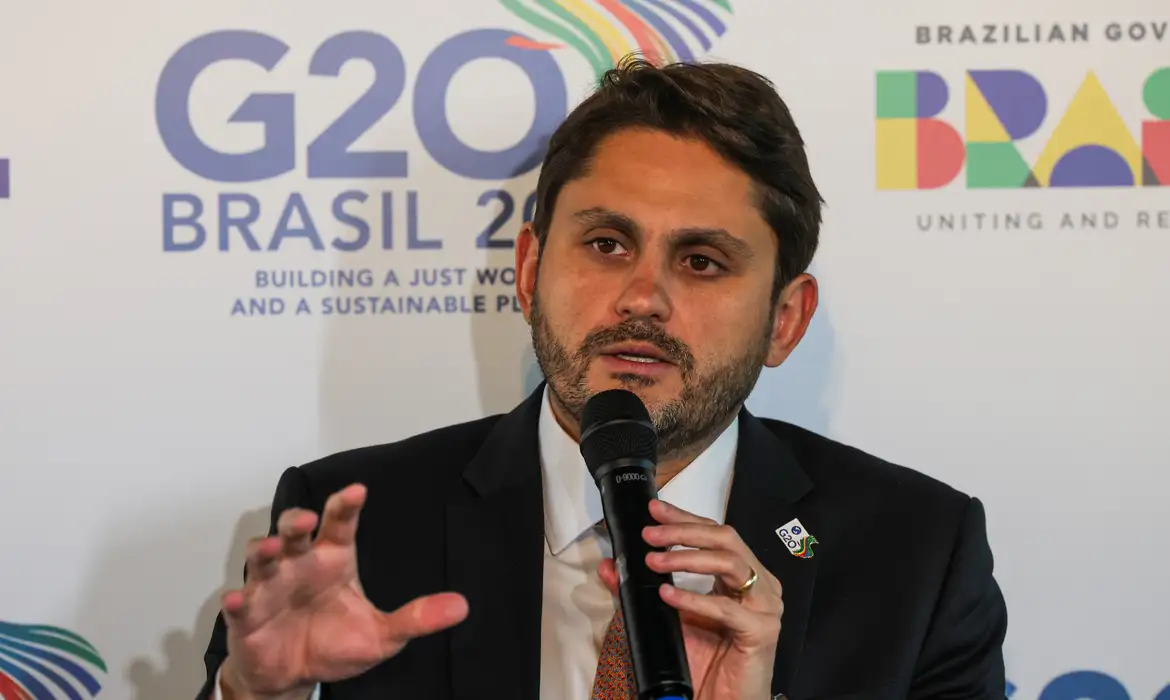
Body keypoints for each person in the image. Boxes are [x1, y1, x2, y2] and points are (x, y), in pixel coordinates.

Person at [198, 55, 1008, 700]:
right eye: (608, 245)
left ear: (785, 320)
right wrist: (261, 697)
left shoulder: (916, 555)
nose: (643, 298)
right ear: (528, 270)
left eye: (702, 260)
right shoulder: (358, 528)